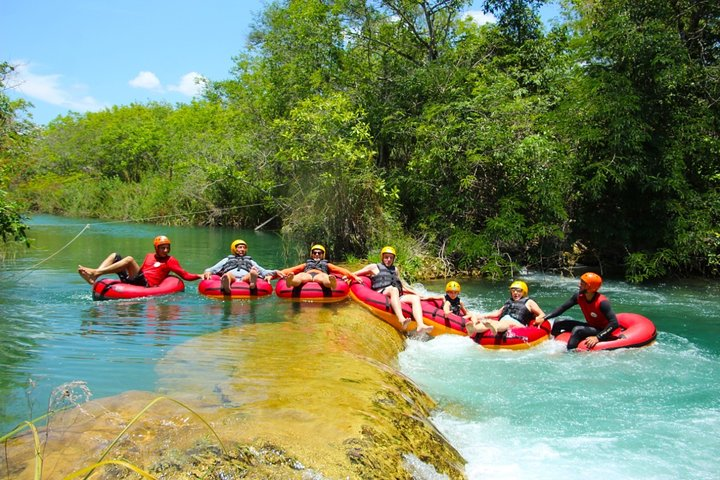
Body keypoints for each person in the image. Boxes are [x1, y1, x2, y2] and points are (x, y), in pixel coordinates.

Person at [352, 246, 435, 334]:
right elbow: (355, 273)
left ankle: (420, 325)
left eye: (391, 258)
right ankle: (401, 319)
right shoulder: (374, 267)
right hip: (381, 292)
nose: (389, 259)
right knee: (393, 289)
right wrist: (349, 277)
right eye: (386, 257)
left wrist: (416, 293)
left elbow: (402, 286)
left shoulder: (395, 270)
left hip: (395, 294)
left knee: (415, 298)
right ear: (382, 257)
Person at [537, 272, 620, 350]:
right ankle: (553, 343)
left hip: (602, 330)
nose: (579, 285)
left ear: (589, 287)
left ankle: (568, 354)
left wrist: (598, 337)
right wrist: (544, 318)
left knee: (578, 330)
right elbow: (562, 308)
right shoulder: (578, 296)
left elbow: (614, 323)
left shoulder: (602, 302)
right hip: (591, 326)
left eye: (582, 283)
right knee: (558, 322)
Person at [78, 235, 202, 287]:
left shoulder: (170, 260)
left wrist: (199, 275)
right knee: (115, 255)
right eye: (162, 248)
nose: (165, 250)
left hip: (145, 285)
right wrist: (129, 272)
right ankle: (95, 276)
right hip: (136, 280)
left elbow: (185, 275)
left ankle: (95, 272)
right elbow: (142, 270)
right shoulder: (149, 256)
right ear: (156, 248)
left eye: (167, 247)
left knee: (130, 259)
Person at [202, 239, 283, 294]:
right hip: (232, 277)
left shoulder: (251, 261)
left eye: (244, 248)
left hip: (245, 278)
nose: (242, 249)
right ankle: (226, 285)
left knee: (252, 272)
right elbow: (212, 269)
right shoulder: (226, 259)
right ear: (234, 249)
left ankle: (252, 283)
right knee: (228, 275)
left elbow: (263, 272)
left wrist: (275, 271)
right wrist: (208, 272)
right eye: (240, 247)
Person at [465, 280, 545, 336]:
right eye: (513, 291)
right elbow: (497, 313)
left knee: (506, 323)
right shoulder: (509, 302)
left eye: (518, 291)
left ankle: (495, 327)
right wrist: (481, 316)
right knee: (489, 322)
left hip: (517, 323)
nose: (515, 293)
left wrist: (539, 318)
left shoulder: (529, 302)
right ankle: (474, 329)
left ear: (524, 292)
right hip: (503, 321)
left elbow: (542, 314)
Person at [280, 244, 360, 290]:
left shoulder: (327, 264)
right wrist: (277, 274)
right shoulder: (306, 264)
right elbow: (291, 269)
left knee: (324, 277)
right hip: (308, 274)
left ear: (323, 254)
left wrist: (354, 277)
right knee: (301, 276)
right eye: (315, 253)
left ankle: (331, 283)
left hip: (320, 274)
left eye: (319, 253)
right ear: (312, 254)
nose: (317, 254)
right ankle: (291, 282)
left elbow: (341, 270)